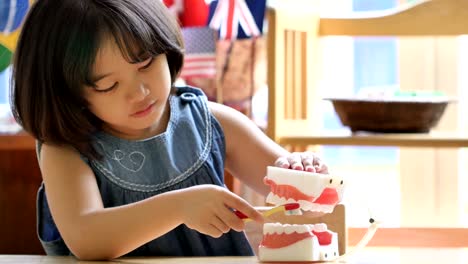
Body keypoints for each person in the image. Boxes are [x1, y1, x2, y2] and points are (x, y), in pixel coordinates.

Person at [11, 0, 328, 260]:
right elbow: (88, 239)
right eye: (108, 85)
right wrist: (180, 207)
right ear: (68, 94)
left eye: (146, 64)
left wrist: (300, 173)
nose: (139, 92)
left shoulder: (209, 121)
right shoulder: (66, 148)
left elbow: (293, 187)